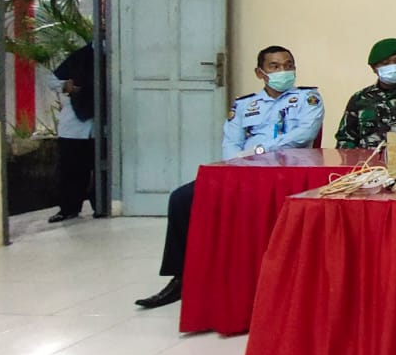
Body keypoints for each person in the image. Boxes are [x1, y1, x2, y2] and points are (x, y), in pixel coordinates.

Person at [135, 45, 323, 309]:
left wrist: (259, 151)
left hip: (285, 173)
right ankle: (181, 279)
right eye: (275, 66)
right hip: (243, 171)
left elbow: (303, 135)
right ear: (260, 73)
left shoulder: (308, 99)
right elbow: (231, 141)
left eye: (288, 65)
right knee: (182, 199)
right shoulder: (245, 105)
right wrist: (236, 164)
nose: (283, 71)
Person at [47, 41, 98, 222]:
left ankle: (101, 207)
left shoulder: (117, 56)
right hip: (74, 127)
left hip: (103, 127)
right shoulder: (80, 56)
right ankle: (68, 209)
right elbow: (52, 80)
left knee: (104, 171)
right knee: (71, 170)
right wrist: (65, 86)